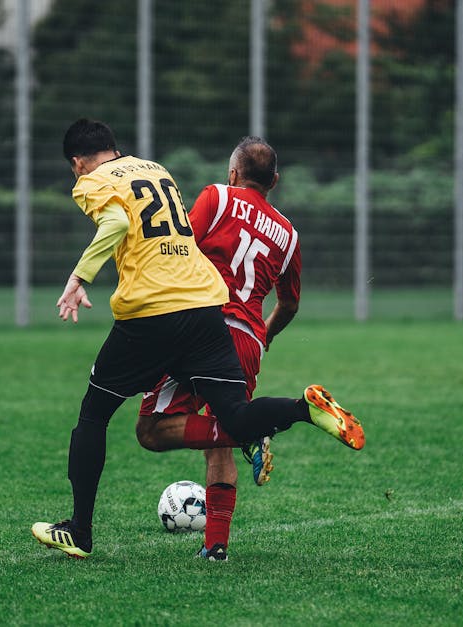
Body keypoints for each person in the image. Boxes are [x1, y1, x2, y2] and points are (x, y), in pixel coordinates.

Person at [31, 119, 364, 560]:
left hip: (156, 312)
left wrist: (80, 276)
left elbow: (130, 225)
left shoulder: (117, 184)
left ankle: (80, 531)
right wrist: (263, 336)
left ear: (77, 163)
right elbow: (284, 299)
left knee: (100, 417)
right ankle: (301, 411)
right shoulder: (157, 171)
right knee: (237, 419)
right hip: (212, 313)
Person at [135, 136, 301, 562]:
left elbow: (179, 245)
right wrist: (264, 335)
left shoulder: (218, 196)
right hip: (247, 341)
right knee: (219, 439)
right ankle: (216, 546)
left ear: (233, 173)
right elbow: (290, 302)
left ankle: (244, 429)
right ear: (275, 181)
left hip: (198, 325)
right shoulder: (287, 233)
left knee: (151, 431)